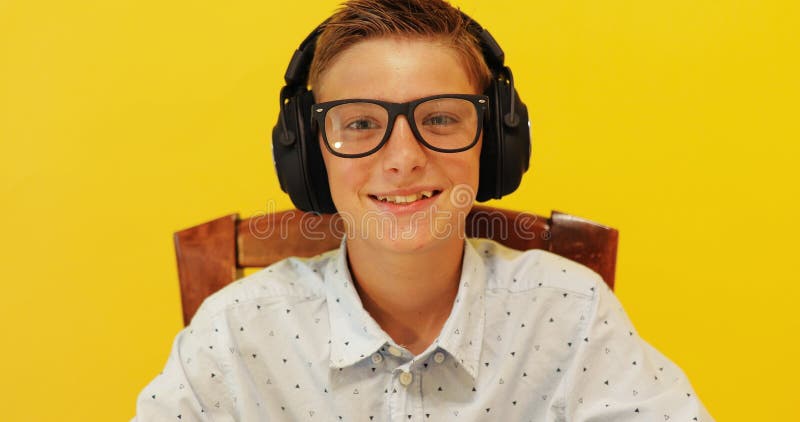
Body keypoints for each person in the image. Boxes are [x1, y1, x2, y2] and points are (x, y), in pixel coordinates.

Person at [134, 0, 713, 420]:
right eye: (361, 123)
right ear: (309, 158)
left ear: (497, 143)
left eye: (440, 118)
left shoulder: (571, 314)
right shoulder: (234, 333)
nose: (404, 159)